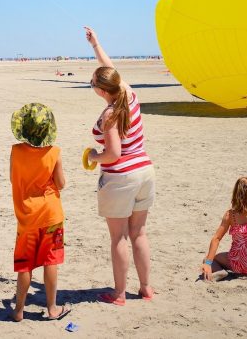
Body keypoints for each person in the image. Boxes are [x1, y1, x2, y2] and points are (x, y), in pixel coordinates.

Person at [83, 27, 155, 305]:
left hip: (122, 177)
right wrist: (96, 44)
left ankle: (119, 294)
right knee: (139, 233)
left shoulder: (110, 114)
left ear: (102, 91)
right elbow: (109, 68)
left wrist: (93, 156)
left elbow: (113, 153)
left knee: (119, 238)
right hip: (146, 172)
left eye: (92, 84)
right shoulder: (129, 93)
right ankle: (146, 288)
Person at [9, 103, 70, 322]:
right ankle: (52, 308)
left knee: (25, 264)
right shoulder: (54, 152)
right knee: (50, 260)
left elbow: (13, 178)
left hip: (26, 216)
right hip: (51, 214)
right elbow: (61, 184)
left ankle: (18, 310)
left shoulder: (16, 152)